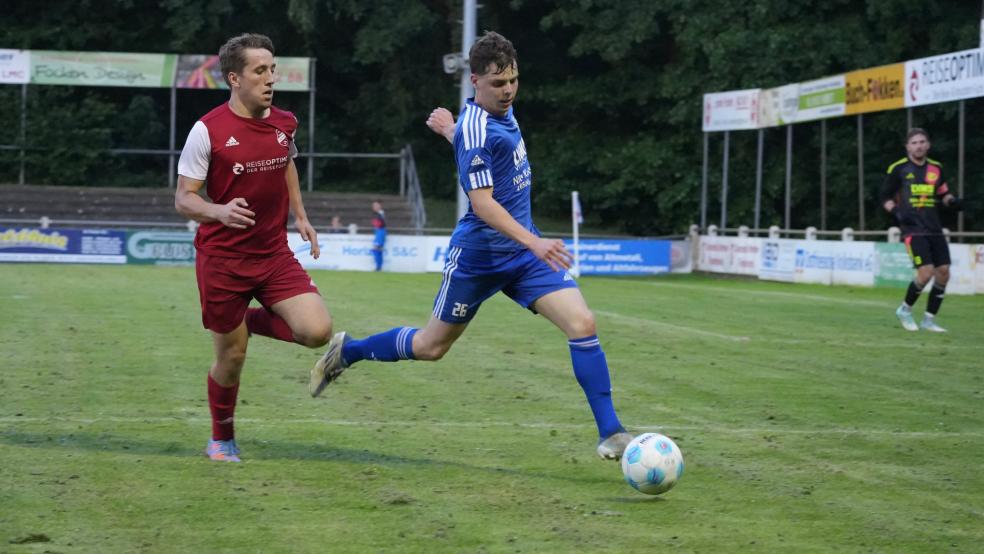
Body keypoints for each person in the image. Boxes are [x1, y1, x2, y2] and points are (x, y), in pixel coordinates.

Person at [309, 31, 633, 461]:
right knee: (430, 347)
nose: (509, 90)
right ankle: (347, 352)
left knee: (583, 324)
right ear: (475, 82)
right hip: (479, 257)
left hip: (522, 256)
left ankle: (611, 432)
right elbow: (482, 204)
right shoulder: (480, 127)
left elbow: (482, 152)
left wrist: (451, 131)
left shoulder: (498, 116)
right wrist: (535, 240)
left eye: (514, 80)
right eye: (498, 84)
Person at [175, 33, 333, 462]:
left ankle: (237, 320)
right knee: (233, 357)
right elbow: (184, 198)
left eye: (272, 69)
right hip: (223, 260)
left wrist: (301, 215)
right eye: (259, 71)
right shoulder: (206, 130)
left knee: (317, 331)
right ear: (234, 78)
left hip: (272, 253)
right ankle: (221, 438)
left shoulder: (284, 122)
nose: (270, 78)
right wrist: (218, 211)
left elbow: (286, 166)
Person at [881, 128, 963, 332]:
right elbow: (884, 197)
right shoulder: (898, 168)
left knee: (943, 272)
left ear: (928, 145)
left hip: (934, 228)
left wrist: (952, 201)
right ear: (908, 146)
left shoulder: (936, 168)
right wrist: (897, 212)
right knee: (925, 273)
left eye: (922, 142)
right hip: (913, 229)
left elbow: (943, 192)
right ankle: (905, 310)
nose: (918, 146)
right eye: (914, 142)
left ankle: (929, 320)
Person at [371, 201, 387, 271]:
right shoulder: (379, 214)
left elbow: (381, 224)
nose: (373, 208)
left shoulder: (380, 213)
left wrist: (375, 223)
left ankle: (378, 267)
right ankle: (379, 267)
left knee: (376, 249)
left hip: (380, 232)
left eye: (375, 206)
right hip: (379, 232)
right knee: (378, 250)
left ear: (379, 206)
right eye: (373, 206)